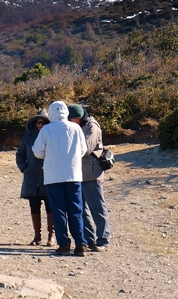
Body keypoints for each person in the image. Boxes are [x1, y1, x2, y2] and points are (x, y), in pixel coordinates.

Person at [32, 101, 87, 256]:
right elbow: (83, 149)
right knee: (76, 210)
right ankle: (81, 243)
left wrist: (49, 156)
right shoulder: (75, 128)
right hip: (74, 175)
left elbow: (37, 152)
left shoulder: (47, 130)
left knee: (59, 211)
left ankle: (64, 243)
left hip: (53, 176)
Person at [68, 104, 111, 251]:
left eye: (71, 119)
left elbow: (85, 149)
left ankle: (103, 240)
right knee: (81, 210)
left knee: (97, 208)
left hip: (92, 174)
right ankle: (89, 240)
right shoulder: (77, 125)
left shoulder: (92, 127)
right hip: (78, 174)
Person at [16, 110, 54, 246]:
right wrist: (24, 168)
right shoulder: (27, 138)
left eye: (44, 122)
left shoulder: (52, 135)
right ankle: (37, 236)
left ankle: (52, 236)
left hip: (48, 176)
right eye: (39, 122)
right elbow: (20, 154)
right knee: (34, 207)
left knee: (51, 207)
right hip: (31, 178)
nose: (41, 124)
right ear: (35, 123)